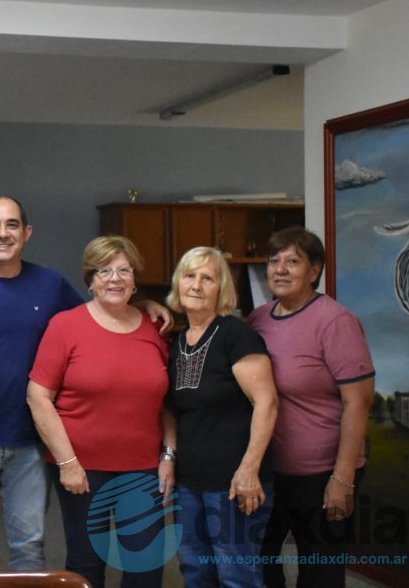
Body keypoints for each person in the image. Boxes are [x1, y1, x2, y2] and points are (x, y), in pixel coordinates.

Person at [0, 197, 172, 573]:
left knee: (29, 543)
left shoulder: (50, 285)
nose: (3, 233)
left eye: (12, 224)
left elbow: (101, 313)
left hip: (33, 440)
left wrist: (143, 306)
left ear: (27, 233)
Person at [27, 235, 174, 588]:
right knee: (86, 562)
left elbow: (168, 401)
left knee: (145, 564)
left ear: (135, 279)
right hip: (82, 468)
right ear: (90, 279)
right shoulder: (66, 326)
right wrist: (67, 463)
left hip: (143, 468)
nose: (115, 278)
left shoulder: (155, 327)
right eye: (104, 270)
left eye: (124, 270)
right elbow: (38, 397)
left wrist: (168, 455)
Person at [248, 227, 375, 588]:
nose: (281, 270)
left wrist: (342, 479)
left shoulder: (335, 321)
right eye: (274, 261)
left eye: (293, 261)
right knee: (259, 562)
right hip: (271, 473)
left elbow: (359, 403)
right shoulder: (257, 320)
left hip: (323, 474)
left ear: (314, 271)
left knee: (320, 573)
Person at [165, 246, 278, 587]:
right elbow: (172, 407)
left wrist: (249, 469)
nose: (196, 285)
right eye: (189, 276)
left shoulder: (236, 335)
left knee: (236, 575)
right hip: (190, 483)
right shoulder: (176, 341)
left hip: (233, 483)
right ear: (178, 283)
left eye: (208, 278)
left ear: (222, 288)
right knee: (195, 571)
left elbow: (267, 403)